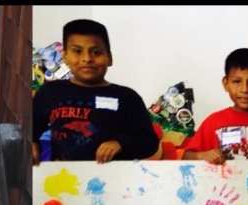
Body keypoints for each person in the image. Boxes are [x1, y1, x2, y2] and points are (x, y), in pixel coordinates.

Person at [31, 18, 160, 163]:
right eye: (77, 51)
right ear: (65, 56)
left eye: (96, 52)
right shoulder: (50, 92)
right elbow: (28, 130)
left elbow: (149, 142)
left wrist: (121, 144)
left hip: (115, 181)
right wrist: (31, 144)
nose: (87, 59)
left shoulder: (127, 98)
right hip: (64, 180)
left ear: (109, 58)